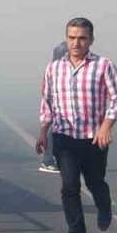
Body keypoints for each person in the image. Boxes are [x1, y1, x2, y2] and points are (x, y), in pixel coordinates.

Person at [35, 18, 117, 233]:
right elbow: (48, 101)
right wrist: (43, 132)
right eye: (72, 37)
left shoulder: (104, 65)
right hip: (65, 138)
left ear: (91, 40)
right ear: (66, 39)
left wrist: (107, 126)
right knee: (69, 186)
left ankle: (104, 206)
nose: (77, 43)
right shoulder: (53, 68)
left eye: (82, 38)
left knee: (95, 182)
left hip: (95, 138)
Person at [38, 41, 70, 173]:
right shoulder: (55, 69)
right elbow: (46, 90)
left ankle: (56, 159)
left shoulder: (57, 67)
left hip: (60, 105)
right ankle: (48, 160)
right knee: (54, 131)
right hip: (57, 106)